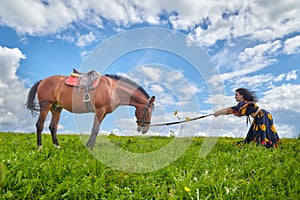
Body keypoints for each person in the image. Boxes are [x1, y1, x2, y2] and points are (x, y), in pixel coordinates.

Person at [214, 88, 280, 148]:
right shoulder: (244, 104)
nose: (235, 97)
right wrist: (219, 113)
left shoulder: (243, 104)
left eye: (236, 95)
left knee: (262, 132)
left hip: (262, 115)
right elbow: (233, 111)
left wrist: (218, 112)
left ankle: (265, 145)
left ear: (242, 96)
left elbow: (230, 110)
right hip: (264, 115)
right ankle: (268, 145)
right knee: (262, 132)